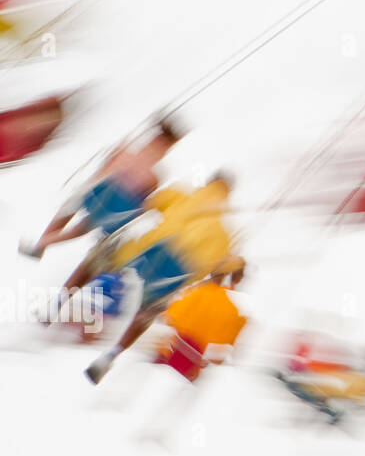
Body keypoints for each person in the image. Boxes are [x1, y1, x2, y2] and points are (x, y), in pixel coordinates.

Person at [84, 173, 240, 385]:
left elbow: (149, 203)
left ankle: (65, 302)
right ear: (228, 195)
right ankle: (113, 354)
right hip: (177, 271)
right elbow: (221, 267)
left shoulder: (183, 193)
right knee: (148, 311)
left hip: (150, 251)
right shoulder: (224, 231)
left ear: (209, 182)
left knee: (104, 258)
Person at [21, 117, 184, 260]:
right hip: (105, 193)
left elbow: (137, 193)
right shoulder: (143, 163)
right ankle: (42, 243)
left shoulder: (137, 158)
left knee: (74, 216)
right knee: (77, 221)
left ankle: (42, 243)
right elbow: (140, 196)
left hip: (106, 193)